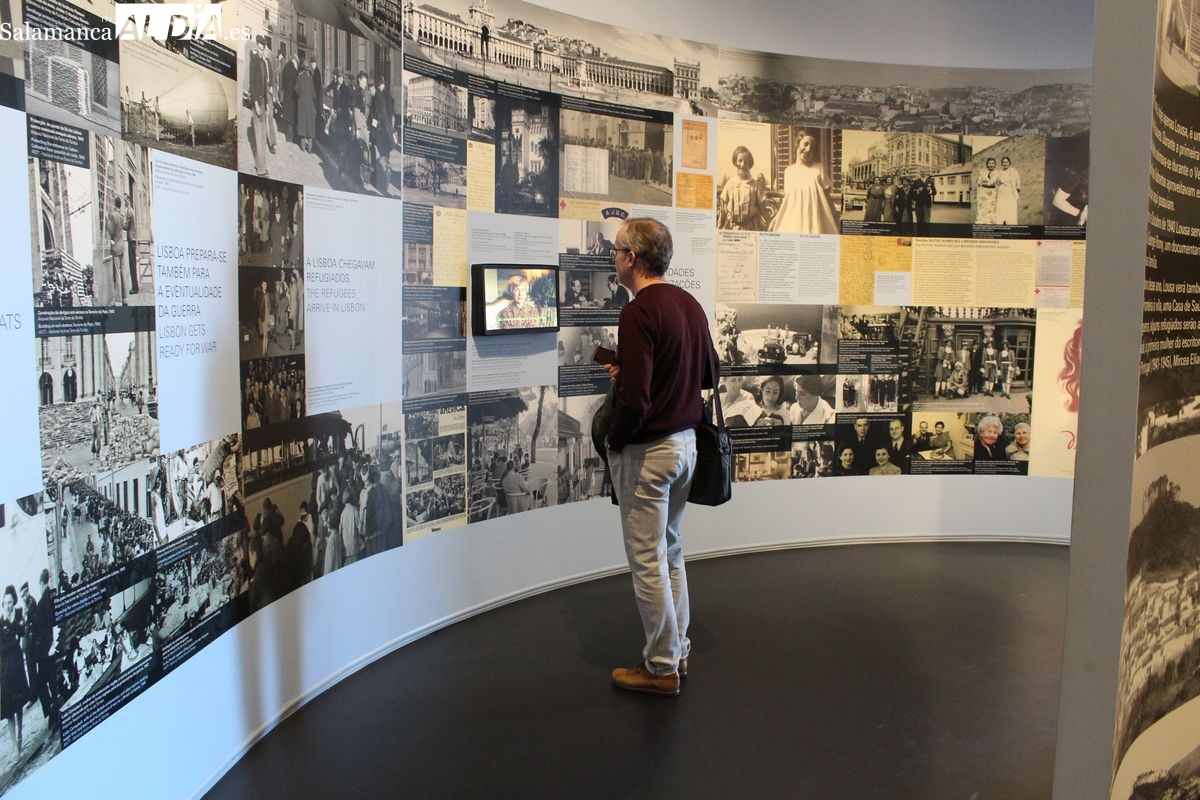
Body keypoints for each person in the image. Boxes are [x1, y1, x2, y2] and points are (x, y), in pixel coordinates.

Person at [603, 217, 716, 696]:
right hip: (687, 445)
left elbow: (635, 402)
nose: (613, 258)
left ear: (632, 258)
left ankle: (661, 667)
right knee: (670, 550)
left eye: (616, 251)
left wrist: (615, 439)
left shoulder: (637, 313)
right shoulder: (689, 304)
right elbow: (709, 374)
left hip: (650, 451)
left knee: (647, 560)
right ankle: (677, 652)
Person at [768, 134, 839, 234]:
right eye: (805, 144)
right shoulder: (789, 171)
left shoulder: (819, 168)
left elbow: (828, 197)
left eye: (812, 148)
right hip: (795, 220)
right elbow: (787, 201)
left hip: (815, 219)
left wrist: (835, 217)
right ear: (797, 144)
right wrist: (776, 218)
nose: (808, 149)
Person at [0, 585, 29, 753]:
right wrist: (13, 641)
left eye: (10, 602)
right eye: (5, 603)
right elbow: (1, 648)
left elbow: (22, 632)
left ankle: (19, 735)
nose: (7, 605)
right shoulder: (0, 621)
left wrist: (13, 625)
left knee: (18, 705)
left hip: (17, 666)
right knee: (8, 709)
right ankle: (13, 745)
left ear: (14, 602)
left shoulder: (17, 616)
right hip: (5, 670)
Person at [717, 146, 766, 231]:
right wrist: (719, 225)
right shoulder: (730, 184)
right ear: (735, 162)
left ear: (750, 164)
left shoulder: (755, 185)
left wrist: (773, 225)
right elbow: (723, 210)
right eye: (740, 161)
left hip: (751, 229)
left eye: (746, 162)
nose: (743, 165)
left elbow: (763, 210)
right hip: (732, 229)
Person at [248, 37, 271, 177]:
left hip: (263, 103)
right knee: (259, 137)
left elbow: (264, 85)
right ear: (257, 47)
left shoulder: (263, 62)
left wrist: (267, 104)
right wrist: (255, 103)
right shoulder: (254, 61)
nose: (262, 52)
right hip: (257, 103)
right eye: (260, 49)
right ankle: (261, 170)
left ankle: (258, 163)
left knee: (262, 136)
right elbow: (252, 83)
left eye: (263, 49)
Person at [106, 195, 129, 305]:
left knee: (117, 273)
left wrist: (107, 222)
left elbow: (111, 232)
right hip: (122, 246)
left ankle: (118, 300)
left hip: (115, 247)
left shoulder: (113, 215)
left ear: (114, 204)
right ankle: (125, 299)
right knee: (123, 272)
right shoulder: (122, 215)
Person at [995, 156, 1021, 225]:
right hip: (1001, 194)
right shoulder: (999, 172)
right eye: (1003, 162)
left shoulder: (1014, 171)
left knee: (1011, 210)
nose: (1005, 164)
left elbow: (1018, 182)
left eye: (1006, 162)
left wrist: (1016, 191)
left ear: (1009, 163)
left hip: (1011, 194)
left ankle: (1011, 225)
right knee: (1001, 211)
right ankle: (1001, 225)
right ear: (1002, 163)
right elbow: (996, 182)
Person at [975, 157, 999, 224]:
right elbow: (979, 183)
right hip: (983, 192)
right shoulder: (983, 172)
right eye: (989, 163)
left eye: (993, 163)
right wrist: (978, 194)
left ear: (995, 164)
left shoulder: (997, 173)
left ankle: (990, 223)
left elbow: (998, 183)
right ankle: (983, 222)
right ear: (987, 164)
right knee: (983, 208)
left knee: (991, 208)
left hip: (993, 192)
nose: (991, 165)